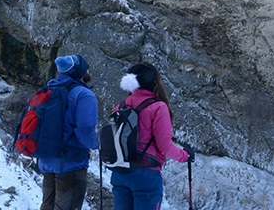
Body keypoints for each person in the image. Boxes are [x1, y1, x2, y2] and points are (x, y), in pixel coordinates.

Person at [111, 62, 195, 210]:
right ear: (154, 81)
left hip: (120, 172)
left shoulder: (120, 106)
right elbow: (165, 147)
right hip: (146, 174)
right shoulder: (157, 107)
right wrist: (185, 156)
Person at [39, 54, 99, 210]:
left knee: (47, 206)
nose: (88, 71)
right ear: (80, 72)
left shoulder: (50, 90)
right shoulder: (83, 94)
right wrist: (95, 143)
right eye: (87, 68)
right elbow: (85, 127)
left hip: (47, 160)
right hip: (70, 163)